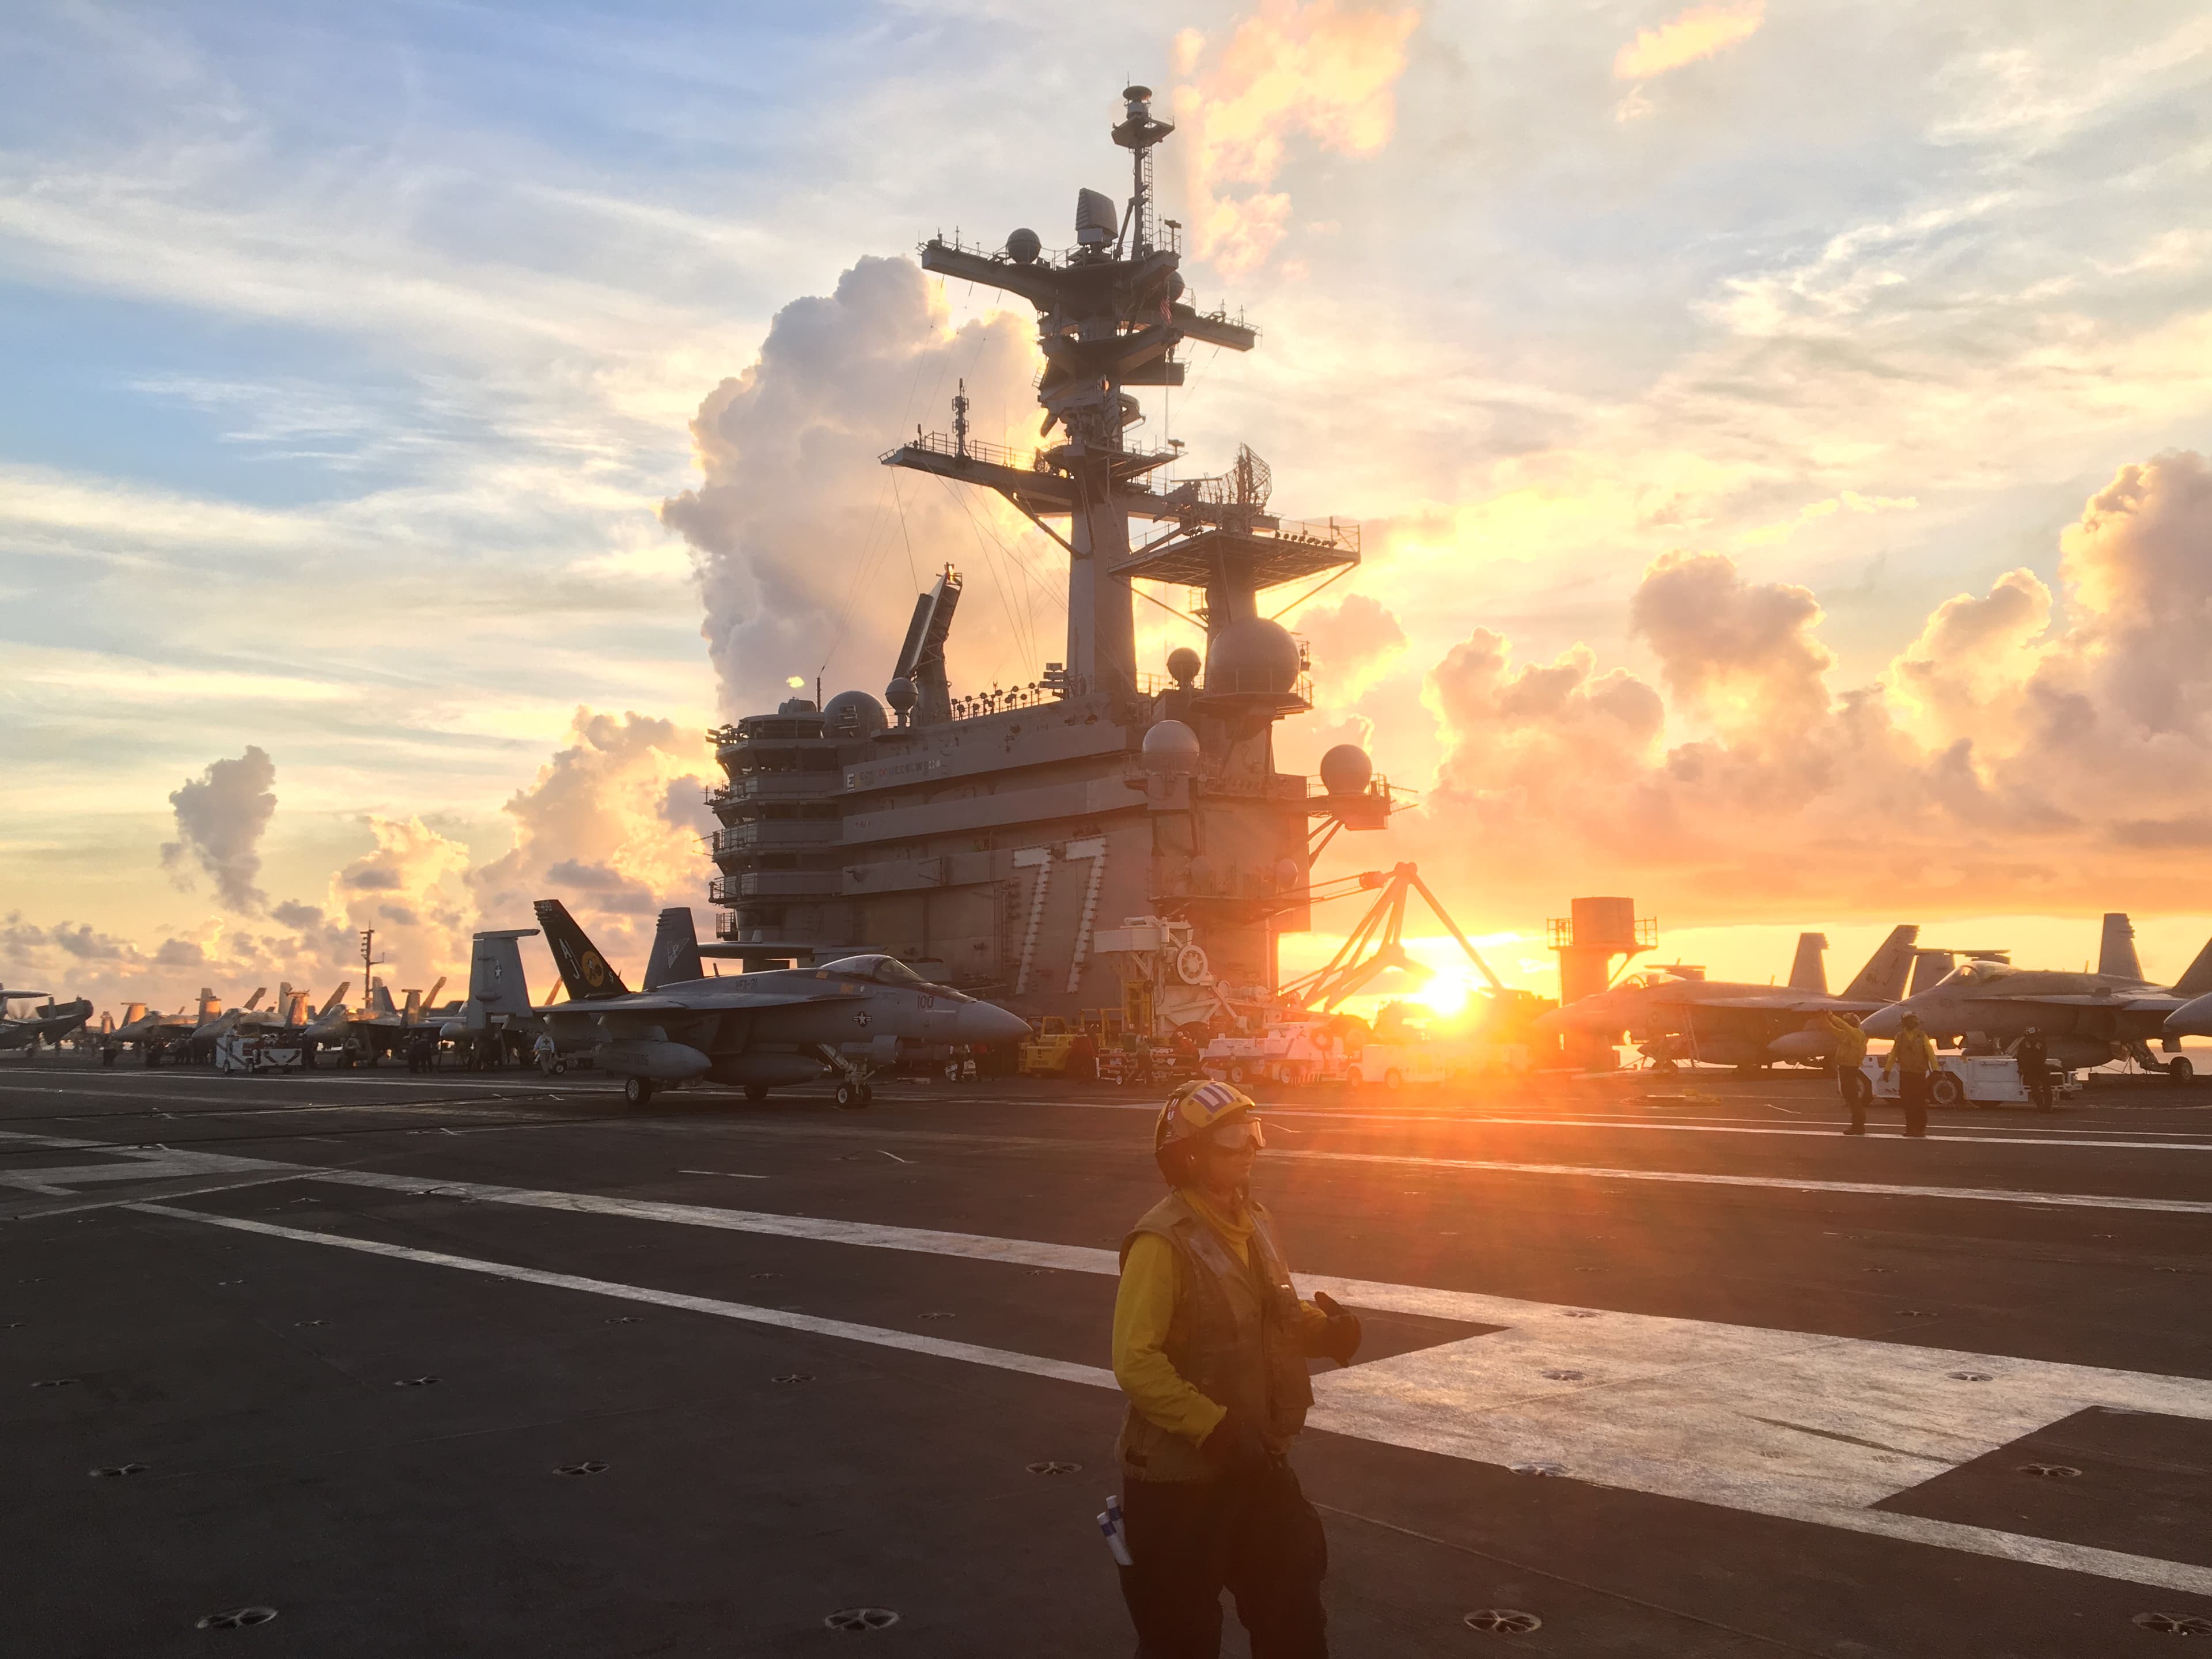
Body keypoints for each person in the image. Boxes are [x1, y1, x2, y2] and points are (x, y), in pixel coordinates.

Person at [1111, 1080, 1361, 1658]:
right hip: (1178, 1484)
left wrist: (1327, 1333)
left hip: (1256, 1464)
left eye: (1253, 1134)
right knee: (1180, 1640)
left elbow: (1275, 1310)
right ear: (1189, 1153)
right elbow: (1135, 1363)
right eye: (1231, 1140)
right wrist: (1215, 1429)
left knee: (1295, 1625)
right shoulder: (1161, 1242)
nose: (1251, 1149)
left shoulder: (1256, 1220)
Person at [1880, 1012, 1937, 1138]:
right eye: (1909, 1021)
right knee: (1907, 1103)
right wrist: (1887, 1070)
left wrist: (1936, 1070)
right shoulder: (1900, 1037)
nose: (1912, 1023)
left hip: (1919, 1074)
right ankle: (1910, 1128)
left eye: (1912, 1021)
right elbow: (1894, 1054)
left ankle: (1921, 1129)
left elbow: (1930, 1053)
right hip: (1906, 1074)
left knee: (1919, 1103)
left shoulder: (1922, 1036)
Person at [1815, 1012, 1872, 1133]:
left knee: (1853, 1098)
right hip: (1845, 1068)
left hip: (1851, 1069)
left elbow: (1843, 1026)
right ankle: (1857, 1125)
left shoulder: (1857, 1034)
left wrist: (1831, 1016)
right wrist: (1823, 1018)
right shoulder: (1847, 1035)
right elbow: (1831, 1029)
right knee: (1849, 1096)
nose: (1847, 1024)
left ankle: (1858, 1126)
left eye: (1848, 1022)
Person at [2014, 1026, 2052, 1112]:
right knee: (2043, 1089)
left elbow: (2020, 1057)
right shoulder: (2039, 1043)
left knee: (2038, 1089)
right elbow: (2043, 1056)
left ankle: (2043, 1108)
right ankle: (2046, 1108)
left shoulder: (2026, 1043)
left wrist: (2022, 1068)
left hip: (2033, 1069)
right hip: (2038, 1068)